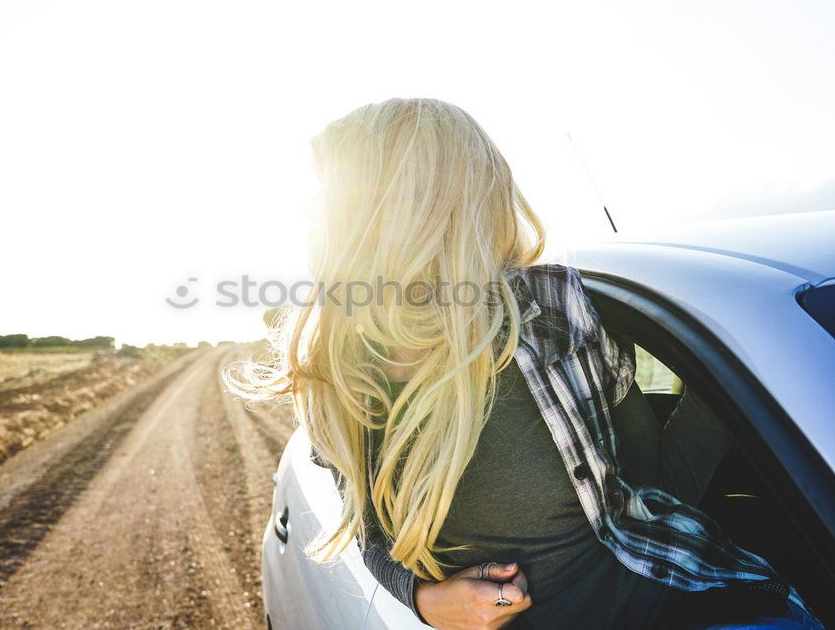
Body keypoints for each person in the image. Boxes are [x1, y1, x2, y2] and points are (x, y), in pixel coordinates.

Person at [224, 98, 823, 628]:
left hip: (694, 607)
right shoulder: (339, 371)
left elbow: (656, 492)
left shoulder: (553, 317)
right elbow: (372, 531)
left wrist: (758, 351)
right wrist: (426, 601)